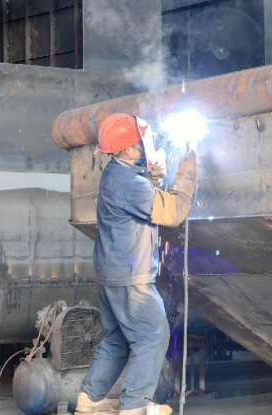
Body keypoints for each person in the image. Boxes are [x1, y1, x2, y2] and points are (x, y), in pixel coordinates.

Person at [74, 113, 198, 415]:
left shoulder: (116, 172)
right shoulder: (129, 183)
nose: (147, 145)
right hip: (131, 277)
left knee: (117, 339)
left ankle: (89, 400)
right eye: (143, 141)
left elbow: (138, 200)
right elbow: (172, 212)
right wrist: (188, 171)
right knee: (153, 334)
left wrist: (153, 176)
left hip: (111, 271)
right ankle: (134, 406)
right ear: (128, 149)